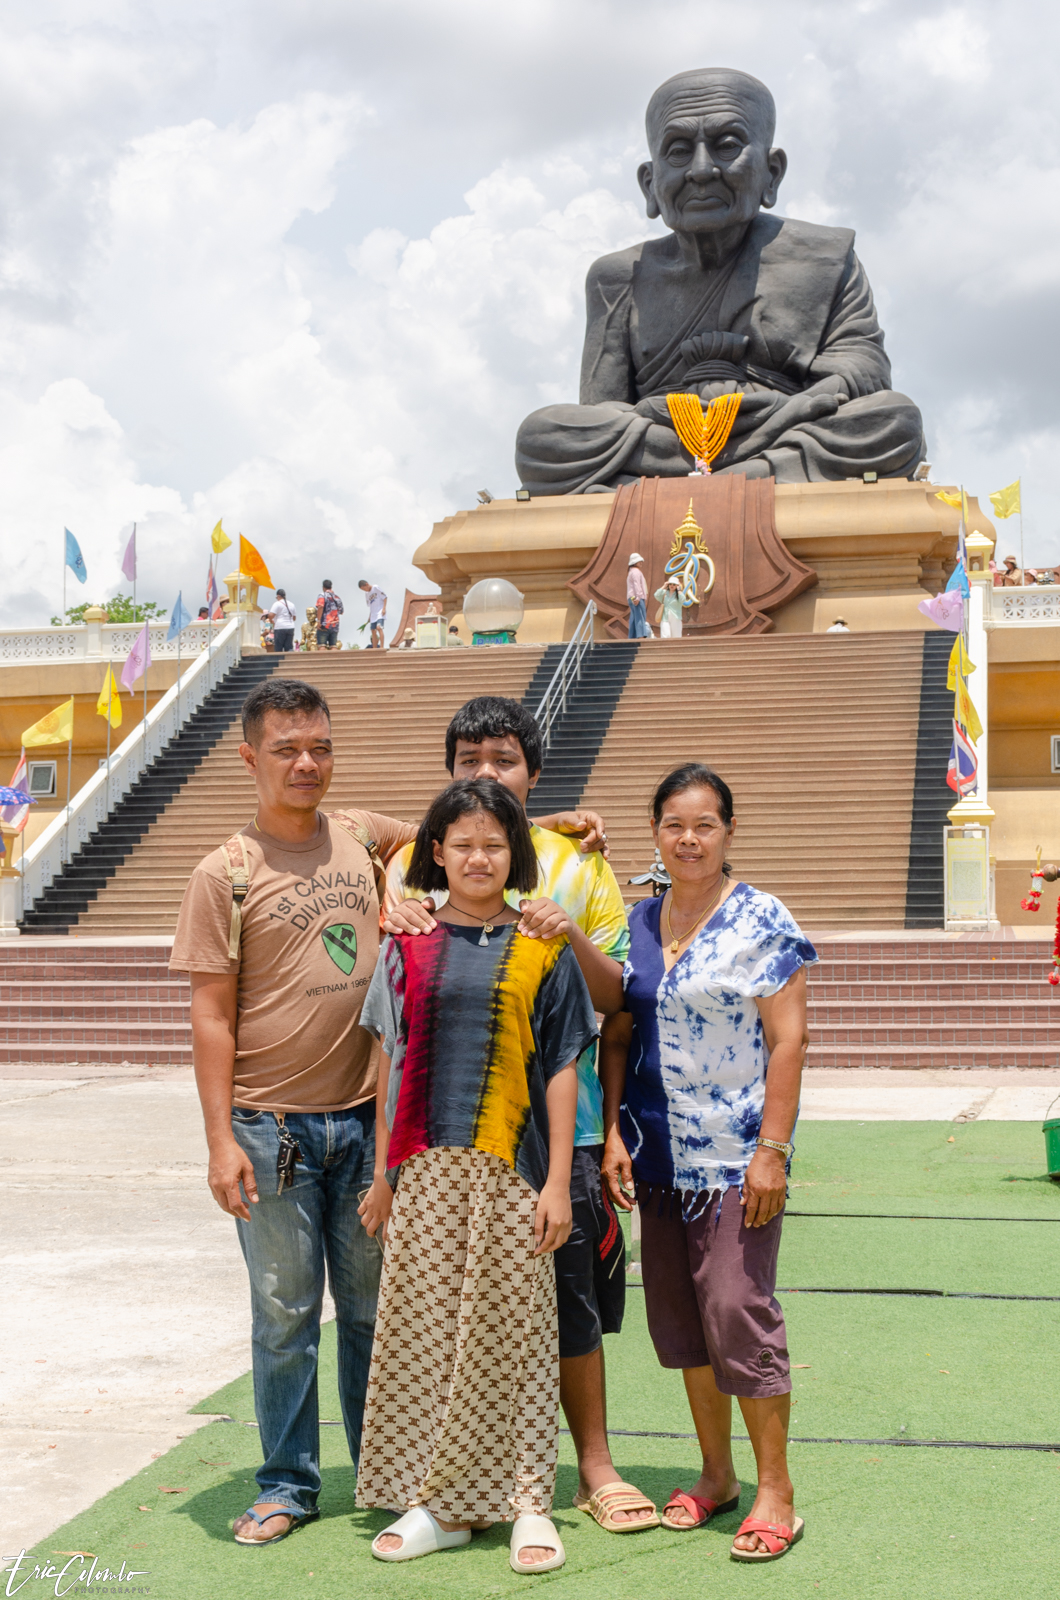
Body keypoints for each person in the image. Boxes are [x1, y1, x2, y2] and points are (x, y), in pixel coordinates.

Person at [385, 697, 659, 1535]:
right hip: (445, 1140)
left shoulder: (579, 865)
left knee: (567, 1304)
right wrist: (389, 902)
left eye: (503, 759)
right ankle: (454, 1483)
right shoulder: (419, 861)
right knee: (447, 1310)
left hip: (560, 1136)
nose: (486, 774)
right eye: (468, 760)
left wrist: (566, 931)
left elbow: (616, 999)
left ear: (533, 770)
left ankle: (592, 1467)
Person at [169, 676, 420, 1546]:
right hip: (269, 1128)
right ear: (250, 758)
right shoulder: (224, 874)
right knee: (284, 1318)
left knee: (371, 1310)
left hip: (365, 1122)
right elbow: (209, 1016)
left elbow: (454, 831)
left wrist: (558, 824)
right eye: (287, 749)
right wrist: (218, 1142)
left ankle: (383, 1471)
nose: (306, 763)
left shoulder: (360, 834)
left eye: (320, 747)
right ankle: (286, 1482)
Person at [357, 778, 598, 1572]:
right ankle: (439, 1505)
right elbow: (389, 1061)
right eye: (462, 844)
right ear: (437, 852)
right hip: (424, 1171)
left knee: (516, 1338)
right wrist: (385, 1173)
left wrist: (557, 1183)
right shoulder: (406, 942)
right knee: (426, 1335)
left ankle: (529, 1502)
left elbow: (560, 1066)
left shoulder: (543, 947)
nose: (478, 858)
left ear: (515, 854)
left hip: (512, 1172)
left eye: (494, 844)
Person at [515, 68, 923, 493]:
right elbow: (601, 411)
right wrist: (667, 417)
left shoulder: (825, 256)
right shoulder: (617, 277)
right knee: (543, 436)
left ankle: (682, 487)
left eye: (727, 146)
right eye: (678, 151)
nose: (702, 170)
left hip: (784, 425)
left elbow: (863, 371)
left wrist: (783, 411)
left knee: (893, 419)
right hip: (668, 438)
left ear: (771, 172)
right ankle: (745, 478)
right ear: (650, 184)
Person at [601, 763, 816, 1563]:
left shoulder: (761, 917)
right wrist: (613, 1132)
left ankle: (775, 1491)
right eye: (673, 825)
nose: (688, 839)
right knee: (684, 1323)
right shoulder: (638, 922)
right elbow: (618, 1033)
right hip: (658, 1158)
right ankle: (717, 1476)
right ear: (655, 833)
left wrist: (772, 1151)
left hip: (737, 1161)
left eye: (705, 825)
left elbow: (788, 1040)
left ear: (728, 831)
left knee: (736, 1309)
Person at [627, 553, 651, 639]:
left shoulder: (631, 571)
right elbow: (637, 585)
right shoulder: (636, 572)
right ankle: (640, 637)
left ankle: (632, 637)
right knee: (640, 616)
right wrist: (638, 597)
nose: (641, 562)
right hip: (636, 597)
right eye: (639, 561)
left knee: (634, 617)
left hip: (631, 597)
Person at [358, 578, 387, 648]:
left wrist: (384, 608)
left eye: (364, 588)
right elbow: (371, 605)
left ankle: (381, 647)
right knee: (373, 630)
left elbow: (385, 597)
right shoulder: (367, 594)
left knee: (379, 628)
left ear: (367, 584)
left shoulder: (375, 588)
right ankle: (374, 647)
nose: (365, 590)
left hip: (380, 612)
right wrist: (370, 616)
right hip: (373, 614)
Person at [267, 589, 298, 653]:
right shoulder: (292, 604)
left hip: (280, 627)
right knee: (289, 647)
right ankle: (289, 658)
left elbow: (271, 615)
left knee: (278, 648)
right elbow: (294, 618)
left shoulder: (277, 604)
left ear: (278, 596)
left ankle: (279, 659)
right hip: (290, 627)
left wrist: (271, 620)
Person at [315, 579, 343, 648]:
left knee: (322, 646)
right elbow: (341, 611)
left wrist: (318, 620)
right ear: (331, 587)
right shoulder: (336, 597)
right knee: (333, 646)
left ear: (323, 587)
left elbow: (320, 607)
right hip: (335, 625)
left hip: (324, 624)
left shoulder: (322, 595)